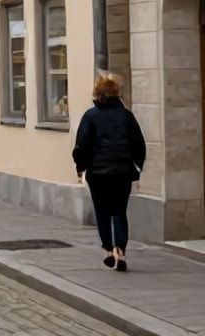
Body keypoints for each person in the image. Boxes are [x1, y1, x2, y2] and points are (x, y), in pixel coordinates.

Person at [73, 72, 147, 272]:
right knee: (119, 211)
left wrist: (81, 167)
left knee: (102, 211)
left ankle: (108, 250)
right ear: (116, 94)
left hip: (98, 173)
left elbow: (82, 145)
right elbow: (139, 144)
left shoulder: (90, 116)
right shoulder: (126, 116)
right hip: (122, 171)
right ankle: (120, 250)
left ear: (97, 94)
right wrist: (137, 167)